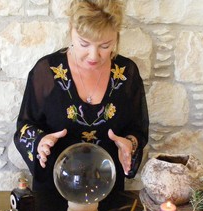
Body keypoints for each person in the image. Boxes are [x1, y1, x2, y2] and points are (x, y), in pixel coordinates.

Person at [14, 0, 149, 192]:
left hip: (106, 191)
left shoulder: (127, 73)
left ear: (117, 36)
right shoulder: (47, 71)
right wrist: (40, 142)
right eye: (84, 44)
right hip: (53, 191)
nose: (93, 56)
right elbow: (25, 127)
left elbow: (138, 130)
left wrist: (129, 144)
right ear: (71, 31)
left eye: (105, 45)